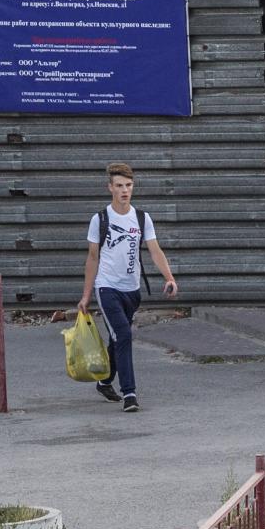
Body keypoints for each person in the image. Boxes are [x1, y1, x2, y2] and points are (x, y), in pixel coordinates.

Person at [76, 161, 177, 412]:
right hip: (107, 287)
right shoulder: (99, 219)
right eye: (119, 185)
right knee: (124, 334)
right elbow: (92, 258)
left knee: (116, 338)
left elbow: (155, 251)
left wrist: (169, 277)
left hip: (132, 290)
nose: (125, 190)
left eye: (129, 185)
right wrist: (86, 296)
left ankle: (105, 380)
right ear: (109, 187)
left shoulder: (142, 218)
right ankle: (129, 393)